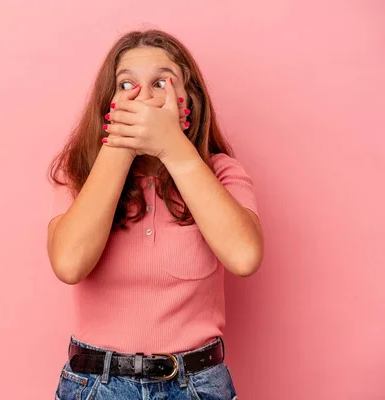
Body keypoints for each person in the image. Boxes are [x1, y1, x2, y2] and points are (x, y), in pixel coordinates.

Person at [47, 29, 263, 400]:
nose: (142, 97)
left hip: (196, 385)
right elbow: (69, 264)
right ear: (109, 104)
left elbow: (244, 256)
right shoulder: (80, 173)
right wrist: (121, 143)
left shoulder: (221, 172)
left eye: (161, 82)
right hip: (96, 385)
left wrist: (172, 147)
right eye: (126, 85)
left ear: (187, 100)